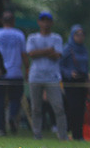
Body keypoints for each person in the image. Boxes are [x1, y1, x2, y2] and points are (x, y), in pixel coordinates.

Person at [25, 11, 68, 140]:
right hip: (35, 76)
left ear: (51, 22)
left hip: (52, 77)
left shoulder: (57, 38)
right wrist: (48, 51)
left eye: (48, 20)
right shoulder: (32, 38)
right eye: (43, 20)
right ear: (39, 22)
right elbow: (31, 54)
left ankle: (63, 135)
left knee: (58, 107)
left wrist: (40, 52)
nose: (45, 23)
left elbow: (57, 55)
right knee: (36, 108)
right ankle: (37, 134)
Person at [0, 10, 26, 134]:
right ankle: (12, 116)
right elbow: (24, 55)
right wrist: (27, 69)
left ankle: (1, 128)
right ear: (14, 21)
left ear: (2, 21)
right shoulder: (19, 35)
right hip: (15, 73)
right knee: (15, 99)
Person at [61, 24, 90, 140]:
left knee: (81, 109)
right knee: (72, 108)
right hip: (71, 83)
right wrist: (69, 73)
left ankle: (79, 135)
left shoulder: (84, 49)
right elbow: (60, 66)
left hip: (82, 82)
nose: (80, 37)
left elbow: (86, 66)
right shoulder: (67, 48)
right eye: (77, 34)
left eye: (82, 34)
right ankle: (70, 133)